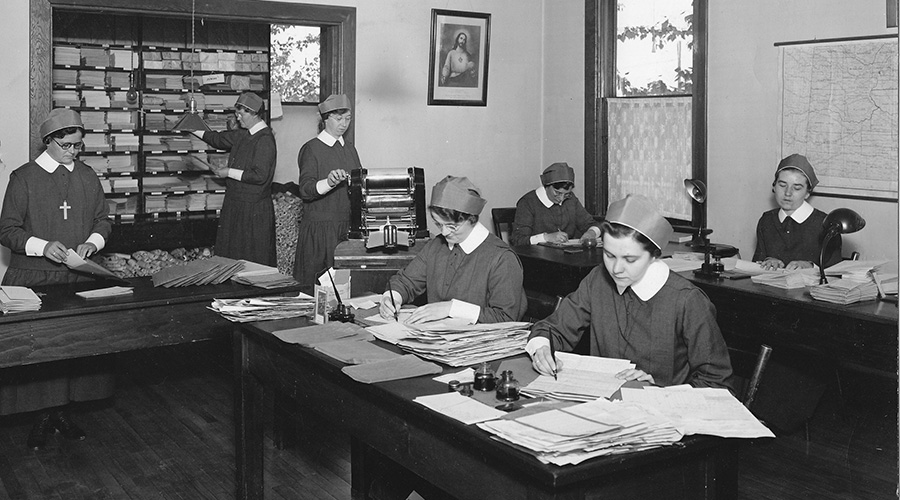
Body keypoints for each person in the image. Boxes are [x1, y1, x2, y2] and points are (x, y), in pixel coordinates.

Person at [526, 194, 734, 391]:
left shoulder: (687, 300)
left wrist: (659, 391)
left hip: (662, 416)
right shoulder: (598, 280)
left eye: (630, 259)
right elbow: (553, 328)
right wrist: (542, 348)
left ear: (654, 256)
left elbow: (717, 383)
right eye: (609, 255)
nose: (616, 269)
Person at [0, 108, 115, 450]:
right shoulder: (23, 178)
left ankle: (62, 412)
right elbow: (7, 229)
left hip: (76, 275)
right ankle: (39, 418)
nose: (73, 152)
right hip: (34, 275)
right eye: (66, 145)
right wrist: (41, 245)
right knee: (39, 350)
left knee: (73, 349)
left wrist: (92, 243)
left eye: (78, 146)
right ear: (48, 142)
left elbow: (103, 221)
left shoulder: (87, 176)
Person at [379, 176, 527, 324]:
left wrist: (451, 309)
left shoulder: (502, 258)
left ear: (472, 219)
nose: (444, 232)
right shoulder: (436, 246)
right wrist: (392, 298)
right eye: (438, 224)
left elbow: (505, 317)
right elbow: (406, 281)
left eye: (452, 226)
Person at [191, 92, 277, 266]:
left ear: (255, 114)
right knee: (231, 259)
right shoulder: (244, 134)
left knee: (252, 260)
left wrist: (229, 171)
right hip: (235, 204)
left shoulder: (265, 140)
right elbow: (217, 139)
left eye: (242, 114)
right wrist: (191, 127)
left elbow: (260, 175)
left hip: (253, 209)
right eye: (237, 113)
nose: (237, 118)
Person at [293, 94, 362, 285]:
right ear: (324, 119)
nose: (344, 124)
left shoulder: (350, 149)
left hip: (344, 229)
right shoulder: (311, 149)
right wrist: (329, 182)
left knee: (341, 289)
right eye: (338, 119)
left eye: (348, 119)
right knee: (316, 289)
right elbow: (306, 189)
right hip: (319, 231)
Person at [753, 154, 841, 271]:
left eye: (797, 188)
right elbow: (756, 264)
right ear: (774, 187)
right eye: (782, 185)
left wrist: (810, 266)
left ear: (807, 193)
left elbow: (836, 272)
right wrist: (767, 261)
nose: (788, 193)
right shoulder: (767, 220)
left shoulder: (826, 225)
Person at [510, 162, 600, 246]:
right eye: (557, 193)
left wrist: (591, 232)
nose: (561, 199)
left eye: (566, 194)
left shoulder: (571, 199)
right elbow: (518, 240)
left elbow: (591, 223)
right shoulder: (528, 202)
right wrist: (546, 237)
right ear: (546, 186)